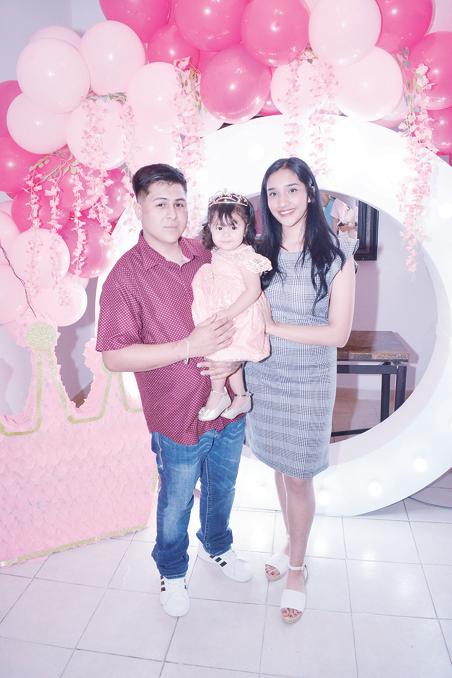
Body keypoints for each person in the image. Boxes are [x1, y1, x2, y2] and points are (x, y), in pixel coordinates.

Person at [96, 164, 252, 619]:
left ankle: (217, 545)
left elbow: (242, 311)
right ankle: (172, 569)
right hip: (175, 414)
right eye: (160, 203)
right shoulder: (126, 277)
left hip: (227, 407)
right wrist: (188, 347)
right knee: (176, 500)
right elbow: (114, 356)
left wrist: (236, 360)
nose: (172, 213)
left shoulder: (208, 254)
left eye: (179, 203)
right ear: (138, 208)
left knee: (222, 488)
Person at [245, 157, 357, 624]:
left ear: (310, 192)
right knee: (278, 462)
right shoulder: (257, 253)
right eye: (272, 193)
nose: (282, 201)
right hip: (265, 376)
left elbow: (338, 334)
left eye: (292, 189)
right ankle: (291, 538)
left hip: (309, 380)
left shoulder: (337, 257)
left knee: (299, 474)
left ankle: (297, 567)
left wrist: (273, 327)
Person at [191, 190, 272, 422]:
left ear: (245, 228)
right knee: (227, 351)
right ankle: (241, 396)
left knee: (221, 349)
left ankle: (218, 394)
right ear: (210, 229)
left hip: (241, 310)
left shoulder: (245, 255)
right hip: (224, 306)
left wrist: (228, 314)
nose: (226, 234)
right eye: (219, 228)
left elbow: (253, 290)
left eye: (233, 227)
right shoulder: (218, 252)